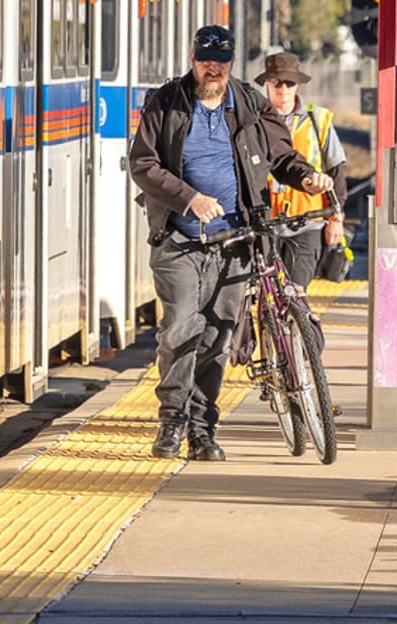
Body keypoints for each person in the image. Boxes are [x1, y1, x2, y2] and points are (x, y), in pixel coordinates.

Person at [127, 23, 338, 462]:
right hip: (181, 241)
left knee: (219, 338)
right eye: (206, 60)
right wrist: (189, 198)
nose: (213, 69)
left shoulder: (248, 102)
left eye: (221, 62)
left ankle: (203, 430)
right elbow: (143, 164)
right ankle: (172, 420)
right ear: (192, 58)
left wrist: (306, 177)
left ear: (230, 64)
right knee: (182, 327)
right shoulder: (166, 102)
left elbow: (282, 156)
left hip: (238, 239)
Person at [255, 51, 347, 360]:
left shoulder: (317, 120)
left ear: (297, 86)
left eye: (289, 84)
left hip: (306, 222)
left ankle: (307, 345)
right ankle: (272, 360)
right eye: (276, 83)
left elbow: (337, 172)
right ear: (266, 84)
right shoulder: (253, 121)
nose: (282, 90)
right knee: (265, 296)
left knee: (295, 291)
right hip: (264, 223)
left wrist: (336, 218)